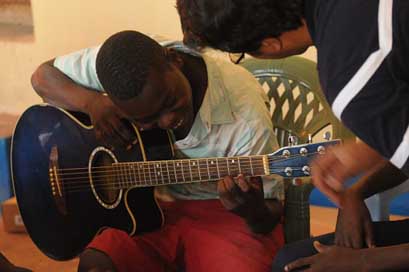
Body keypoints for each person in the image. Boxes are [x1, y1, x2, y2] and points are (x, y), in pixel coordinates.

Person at [31, 30, 285, 272]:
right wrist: (93, 103)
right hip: (147, 206)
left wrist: (251, 209)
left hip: (221, 214)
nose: (166, 121)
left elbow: (271, 213)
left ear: (175, 61)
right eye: (146, 120)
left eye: (170, 102)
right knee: (97, 264)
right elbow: (43, 77)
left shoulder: (246, 113)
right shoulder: (122, 65)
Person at [175, 0, 409, 205]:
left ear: (270, 45)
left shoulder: (351, 83)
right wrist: (373, 151)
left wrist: (370, 258)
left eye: (240, 54)